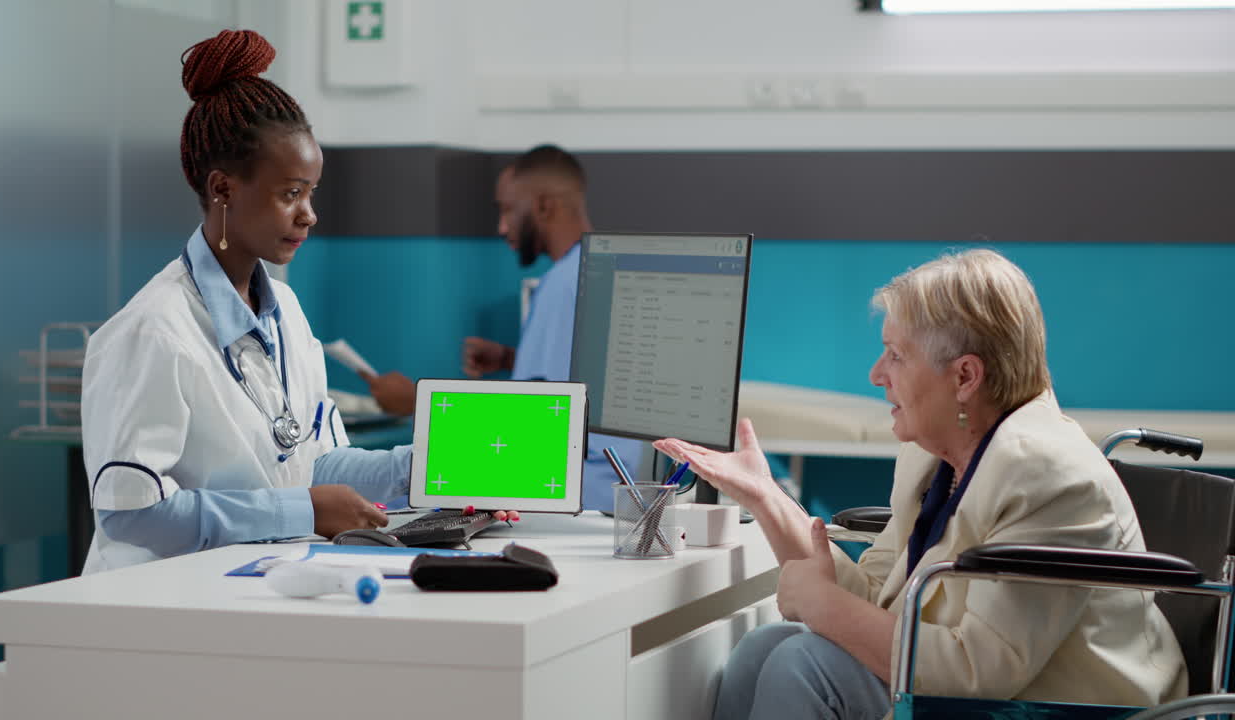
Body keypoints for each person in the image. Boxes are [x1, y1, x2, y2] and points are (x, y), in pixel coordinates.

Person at [653, 250, 1186, 719]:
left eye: (896, 355)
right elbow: (876, 603)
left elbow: (978, 674)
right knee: (762, 648)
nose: (875, 373)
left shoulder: (1047, 476)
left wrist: (819, 605)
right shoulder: (930, 456)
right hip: (981, 691)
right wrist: (766, 497)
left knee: (802, 663)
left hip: (1066, 708)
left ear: (964, 378)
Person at [80, 29, 515, 574]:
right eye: (290, 194)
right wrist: (299, 509)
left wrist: (429, 471)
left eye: (311, 193)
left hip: (249, 593)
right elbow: (132, 517)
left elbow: (315, 461)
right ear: (223, 190)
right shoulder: (153, 331)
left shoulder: (284, 310)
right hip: (149, 611)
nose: (308, 214)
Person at [366, 145, 642, 511]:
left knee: (389, 502)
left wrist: (414, 404)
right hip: (606, 482)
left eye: (508, 209)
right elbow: (585, 384)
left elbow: (536, 429)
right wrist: (512, 358)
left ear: (544, 206)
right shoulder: (600, 271)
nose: (501, 227)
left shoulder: (563, 284)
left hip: (574, 486)